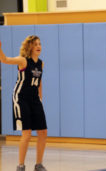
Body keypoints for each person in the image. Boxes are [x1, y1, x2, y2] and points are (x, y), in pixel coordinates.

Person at [0, 35, 48, 171]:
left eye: (40, 43)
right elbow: (4, 59)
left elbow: (39, 82)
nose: (38, 46)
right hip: (21, 98)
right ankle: (20, 165)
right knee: (26, 134)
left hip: (35, 99)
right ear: (30, 47)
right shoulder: (23, 61)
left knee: (43, 132)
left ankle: (39, 164)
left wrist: (41, 99)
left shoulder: (41, 63)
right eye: (35, 44)